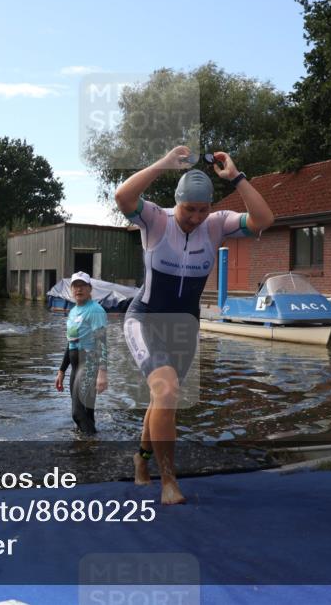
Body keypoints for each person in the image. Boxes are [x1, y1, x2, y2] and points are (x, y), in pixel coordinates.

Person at [116, 146, 275, 504]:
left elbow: (264, 219)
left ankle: (141, 459)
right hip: (146, 318)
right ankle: (168, 482)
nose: (196, 217)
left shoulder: (217, 224)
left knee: (164, 398)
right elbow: (123, 197)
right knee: (166, 391)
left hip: (184, 326)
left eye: (203, 210)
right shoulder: (156, 220)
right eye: (190, 209)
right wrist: (163, 163)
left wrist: (236, 178)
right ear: (177, 203)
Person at [54, 272, 108, 434]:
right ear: (71, 289)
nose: (79, 289)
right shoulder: (73, 312)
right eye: (75, 286)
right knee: (86, 412)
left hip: (89, 363)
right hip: (75, 367)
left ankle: (91, 442)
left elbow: (101, 341)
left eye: (83, 286)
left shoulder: (95, 310)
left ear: (90, 288)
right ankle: (90, 446)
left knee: (77, 413)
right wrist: (61, 370)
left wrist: (102, 373)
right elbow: (70, 343)